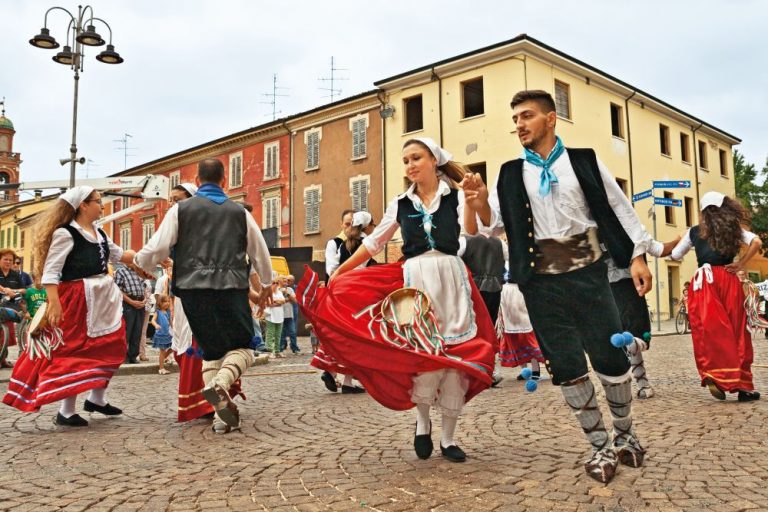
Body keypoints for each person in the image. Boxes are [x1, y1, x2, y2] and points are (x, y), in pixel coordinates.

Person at [464, 90, 657, 483]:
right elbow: (493, 224)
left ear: (551, 119)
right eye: (515, 117)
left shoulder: (583, 161)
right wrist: (481, 201)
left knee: (610, 358)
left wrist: (636, 255)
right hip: (540, 283)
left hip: (589, 274)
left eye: (527, 116)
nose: (519, 124)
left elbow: (619, 206)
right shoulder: (510, 173)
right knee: (567, 365)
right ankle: (599, 446)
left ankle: (626, 436)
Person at [299, 137, 496, 463]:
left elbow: (474, 231)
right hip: (414, 282)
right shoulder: (400, 203)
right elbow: (374, 244)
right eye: (405, 160)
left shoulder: (456, 197)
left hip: (451, 278)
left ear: (434, 160)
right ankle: (422, 423)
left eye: (416, 158)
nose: (410, 165)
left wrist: (477, 202)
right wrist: (340, 273)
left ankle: (448, 438)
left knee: (455, 360)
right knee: (421, 356)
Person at [134, 159, 272, 434]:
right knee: (245, 346)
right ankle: (221, 383)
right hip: (231, 287)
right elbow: (259, 251)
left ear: (197, 181)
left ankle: (221, 415)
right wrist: (267, 283)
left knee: (211, 349)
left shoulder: (180, 211)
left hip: (192, 290)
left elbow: (157, 247)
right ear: (224, 181)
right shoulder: (239, 213)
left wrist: (141, 263)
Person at [2, 186, 135, 426]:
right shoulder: (66, 234)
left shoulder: (99, 233)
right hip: (75, 299)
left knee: (113, 345)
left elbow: (121, 255)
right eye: (97, 201)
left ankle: (97, 399)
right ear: (83, 205)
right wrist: (54, 304)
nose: (101, 204)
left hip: (103, 300)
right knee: (73, 350)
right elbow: (51, 273)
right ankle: (66, 410)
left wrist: (154, 255)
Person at [669, 191, 762, 401]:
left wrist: (681, 239)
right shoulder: (733, 229)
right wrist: (741, 263)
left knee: (709, 330)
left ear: (702, 210)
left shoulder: (694, 231)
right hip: (728, 279)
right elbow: (756, 242)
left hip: (704, 283)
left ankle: (714, 374)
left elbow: (675, 255)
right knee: (737, 329)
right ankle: (743, 387)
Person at [113, 262, 149, 364]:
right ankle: (123, 356)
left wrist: (145, 299)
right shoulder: (121, 271)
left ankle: (133, 356)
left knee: (137, 331)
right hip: (128, 303)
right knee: (127, 330)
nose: (137, 263)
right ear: (129, 261)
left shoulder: (138, 271)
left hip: (140, 303)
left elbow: (145, 287)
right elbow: (117, 289)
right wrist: (131, 301)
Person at [0, 249, 25, 368]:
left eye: (10, 260)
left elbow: (23, 289)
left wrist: (15, 291)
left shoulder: (15, 274)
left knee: (7, 333)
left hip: (10, 306)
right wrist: (4, 289)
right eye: (5, 259)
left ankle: (2, 359)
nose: (8, 262)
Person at [324, 209, 355, 282]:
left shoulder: (361, 242)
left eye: (353, 224)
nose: (350, 227)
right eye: (347, 224)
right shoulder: (333, 243)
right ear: (341, 224)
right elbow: (331, 271)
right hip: (339, 286)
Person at [151, 294, 174, 375]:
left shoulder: (168, 311)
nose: (167, 303)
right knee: (162, 351)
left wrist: (174, 329)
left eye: (168, 301)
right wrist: (156, 325)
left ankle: (164, 358)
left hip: (168, 334)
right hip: (161, 335)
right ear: (160, 303)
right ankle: (161, 368)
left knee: (174, 347)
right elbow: (153, 320)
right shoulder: (158, 312)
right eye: (165, 302)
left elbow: (171, 321)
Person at [265, 276, 286, 358]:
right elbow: (269, 303)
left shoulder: (279, 292)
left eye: (277, 283)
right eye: (273, 283)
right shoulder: (267, 292)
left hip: (279, 315)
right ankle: (270, 351)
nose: (275, 284)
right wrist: (278, 302)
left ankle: (277, 351)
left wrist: (275, 302)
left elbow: (283, 301)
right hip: (270, 316)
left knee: (278, 334)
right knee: (270, 333)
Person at [280, 275, 300, 354]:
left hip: (289, 314)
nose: (286, 283)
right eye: (285, 281)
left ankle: (294, 348)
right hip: (280, 315)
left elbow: (295, 300)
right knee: (281, 333)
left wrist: (287, 294)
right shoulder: (277, 289)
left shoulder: (290, 289)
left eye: (287, 281)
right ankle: (280, 348)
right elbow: (277, 300)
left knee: (293, 332)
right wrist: (286, 300)